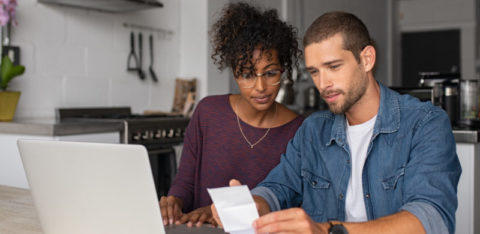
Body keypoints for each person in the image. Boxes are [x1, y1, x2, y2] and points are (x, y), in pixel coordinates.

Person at [212, 11, 461, 234]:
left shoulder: (425, 124)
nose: (323, 84)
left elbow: (430, 220)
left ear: (367, 59)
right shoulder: (312, 130)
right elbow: (278, 186)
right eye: (315, 71)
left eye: (333, 67)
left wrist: (328, 230)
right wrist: (255, 203)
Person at [159, 2, 304, 228]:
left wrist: (219, 212)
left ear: (283, 70)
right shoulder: (208, 113)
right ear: (234, 74)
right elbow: (184, 184)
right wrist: (173, 202)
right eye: (247, 74)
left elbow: (290, 203)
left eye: (270, 73)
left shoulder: (299, 130)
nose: (260, 87)